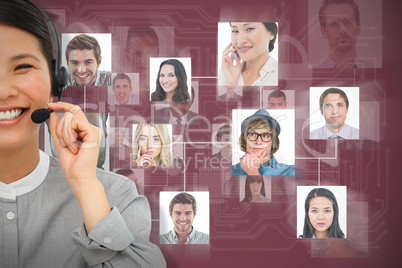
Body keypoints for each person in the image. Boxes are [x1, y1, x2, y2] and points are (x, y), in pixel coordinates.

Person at [0, 1, 166, 267]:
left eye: (22, 67)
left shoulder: (114, 194)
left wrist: (85, 185)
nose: (3, 91)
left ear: (56, 80)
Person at [232, 109, 294, 175]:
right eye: (253, 134)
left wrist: (253, 172)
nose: (258, 142)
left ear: (273, 142)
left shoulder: (290, 171)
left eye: (265, 135)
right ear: (244, 139)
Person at [219, 22, 278, 86]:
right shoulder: (226, 72)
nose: (240, 41)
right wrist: (229, 85)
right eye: (235, 31)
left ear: (271, 33)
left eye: (250, 29)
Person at [317, 0, 365, 68]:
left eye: (348, 22)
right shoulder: (313, 75)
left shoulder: (377, 73)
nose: (342, 30)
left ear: (358, 28)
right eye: (334, 23)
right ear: (323, 31)